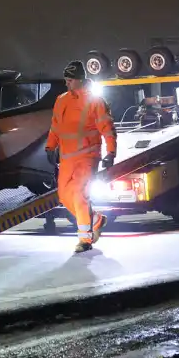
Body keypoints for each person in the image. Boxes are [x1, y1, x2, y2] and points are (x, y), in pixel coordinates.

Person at [45, 60, 117, 253]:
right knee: (64, 195)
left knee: (79, 194)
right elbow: (55, 127)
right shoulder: (61, 100)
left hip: (87, 157)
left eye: (69, 80)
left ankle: (85, 239)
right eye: (65, 80)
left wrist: (111, 153)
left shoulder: (95, 101)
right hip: (67, 158)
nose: (66, 83)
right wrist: (50, 147)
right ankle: (97, 220)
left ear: (79, 80)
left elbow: (107, 129)